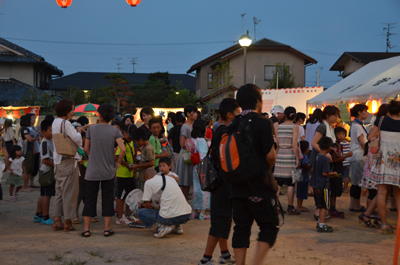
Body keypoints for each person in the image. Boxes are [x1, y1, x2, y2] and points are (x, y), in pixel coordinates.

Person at [231, 84, 278, 265]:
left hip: (236, 186)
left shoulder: (232, 124)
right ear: (259, 101)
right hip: (258, 185)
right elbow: (270, 156)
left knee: (241, 227)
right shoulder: (263, 122)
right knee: (269, 226)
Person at [198, 98, 240, 265]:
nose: (239, 117)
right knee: (219, 222)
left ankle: (225, 255)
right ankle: (205, 259)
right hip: (223, 184)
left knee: (222, 221)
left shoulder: (219, 130)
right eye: (237, 113)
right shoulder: (225, 133)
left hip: (219, 184)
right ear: (229, 115)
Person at [81, 104, 126, 238]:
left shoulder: (91, 129)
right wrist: (117, 162)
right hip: (108, 170)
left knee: (89, 199)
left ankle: (86, 229)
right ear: (112, 117)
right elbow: (122, 149)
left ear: (99, 115)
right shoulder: (115, 131)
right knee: (107, 199)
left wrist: (92, 157)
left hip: (92, 170)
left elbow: (86, 149)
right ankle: (107, 229)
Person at [369, 100, 400, 234]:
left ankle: (384, 224)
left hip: (383, 162)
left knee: (381, 193)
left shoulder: (381, 120)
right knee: (398, 195)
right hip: (397, 162)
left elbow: (370, 136)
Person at [52, 99, 83, 232]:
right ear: (65, 110)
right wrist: (79, 131)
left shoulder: (55, 122)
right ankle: (68, 222)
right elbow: (77, 139)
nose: (73, 112)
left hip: (58, 161)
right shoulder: (66, 123)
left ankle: (57, 220)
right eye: (71, 109)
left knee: (59, 192)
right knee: (69, 193)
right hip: (68, 160)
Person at [137, 168, 192, 238]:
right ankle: (178, 226)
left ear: (146, 178)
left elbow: (149, 207)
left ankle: (162, 227)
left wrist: (141, 205)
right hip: (186, 215)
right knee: (170, 203)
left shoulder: (148, 182)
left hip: (170, 218)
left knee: (141, 213)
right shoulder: (170, 179)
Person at [309, 106, 339, 220]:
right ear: (327, 116)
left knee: (322, 186)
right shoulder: (322, 126)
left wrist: (332, 150)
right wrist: (324, 153)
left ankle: (320, 211)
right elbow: (314, 143)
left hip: (322, 160)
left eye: (337, 115)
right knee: (319, 187)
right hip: (318, 161)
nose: (336, 117)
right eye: (334, 115)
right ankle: (318, 212)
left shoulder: (330, 127)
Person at [274, 106, 300, 215]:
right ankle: (290, 207)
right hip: (290, 154)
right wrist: (297, 158)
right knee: (290, 183)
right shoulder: (295, 127)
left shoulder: (279, 126)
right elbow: (294, 144)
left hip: (280, 154)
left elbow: (277, 143)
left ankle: (274, 206)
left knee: (278, 183)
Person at [310, 136, 340, 232]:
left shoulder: (317, 156)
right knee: (324, 206)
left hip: (316, 185)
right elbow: (325, 173)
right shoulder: (325, 159)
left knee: (319, 205)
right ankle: (322, 224)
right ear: (329, 147)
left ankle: (320, 223)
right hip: (323, 186)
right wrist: (334, 174)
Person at [185, 119, 211, 220]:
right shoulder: (202, 141)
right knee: (205, 188)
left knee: (196, 188)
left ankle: (194, 211)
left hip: (195, 166)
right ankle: (203, 212)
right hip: (203, 166)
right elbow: (203, 155)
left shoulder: (192, 140)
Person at [33, 120, 55, 225]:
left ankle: (39, 214)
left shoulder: (49, 141)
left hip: (45, 171)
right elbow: (45, 160)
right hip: (47, 172)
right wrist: (56, 166)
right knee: (47, 195)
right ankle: (45, 216)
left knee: (43, 194)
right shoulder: (45, 143)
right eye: (50, 130)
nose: (52, 132)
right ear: (44, 131)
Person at [115, 124, 137, 226]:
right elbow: (116, 156)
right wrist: (127, 165)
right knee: (121, 196)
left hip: (130, 173)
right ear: (124, 133)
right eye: (130, 135)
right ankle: (120, 217)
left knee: (129, 195)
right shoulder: (122, 142)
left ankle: (128, 215)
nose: (131, 137)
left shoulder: (131, 142)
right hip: (123, 174)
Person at [349, 104, 369, 212]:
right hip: (359, 156)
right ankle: (355, 204)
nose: (366, 113)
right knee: (357, 183)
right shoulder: (357, 126)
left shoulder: (357, 125)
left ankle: (353, 203)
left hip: (356, 155)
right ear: (359, 113)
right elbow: (362, 143)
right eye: (365, 111)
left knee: (355, 182)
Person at [329, 127, 353, 218]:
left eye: (342, 134)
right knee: (334, 190)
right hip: (335, 169)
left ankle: (333, 207)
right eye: (338, 134)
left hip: (339, 169)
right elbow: (335, 160)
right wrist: (346, 156)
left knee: (336, 190)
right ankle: (332, 208)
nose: (341, 136)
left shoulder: (340, 146)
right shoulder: (335, 146)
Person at [176, 104, 198, 200]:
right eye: (194, 112)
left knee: (188, 182)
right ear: (188, 114)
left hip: (190, 156)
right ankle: (183, 203)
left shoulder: (192, 125)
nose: (196, 114)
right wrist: (195, 142)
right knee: (185, 183)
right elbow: (182, 143)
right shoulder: (185, 127)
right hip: (186, 155)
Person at [19, 115, 39, 191]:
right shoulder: (24, 129)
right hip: (26, 150)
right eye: (31, 119)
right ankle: (24, 187)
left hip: (29, 150)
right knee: (26, 168)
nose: (32, 120)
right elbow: (29, 139)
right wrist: (38, 138)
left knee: (30, 168)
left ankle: (26, 186)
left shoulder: (27, 129)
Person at [26, 113, 41, 188]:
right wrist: (34, 148)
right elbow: (31, 140)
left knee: (35, 166)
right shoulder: (27, 129)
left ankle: (31, 182)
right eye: (32, 118)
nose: (34, 119)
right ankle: (27, 183)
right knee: (30, 166)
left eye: (34, 118)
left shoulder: (34, 128)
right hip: (32, 149)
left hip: (37, 148)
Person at [296, 140, 310, 212]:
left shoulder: (299, 155)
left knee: (299, 190)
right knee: (302, 191)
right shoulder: (305, 156)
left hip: (298, 175)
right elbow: (306, 164)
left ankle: (299, 205)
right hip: (304, 176)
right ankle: (299, 206)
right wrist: (310, 168)